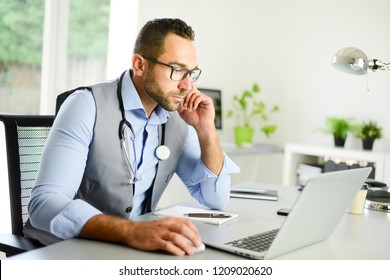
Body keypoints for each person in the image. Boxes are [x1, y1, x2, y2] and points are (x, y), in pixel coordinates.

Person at [25, 18, 239, 256]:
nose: (187, 86)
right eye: (177, 70)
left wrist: (206, 130)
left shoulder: (178, 118)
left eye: (191, 73)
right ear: (140, 65)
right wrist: (133, 232)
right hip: (70, 249)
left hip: (132, 251)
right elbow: (44, 204)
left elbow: (216, 199)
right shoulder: (86, 105)